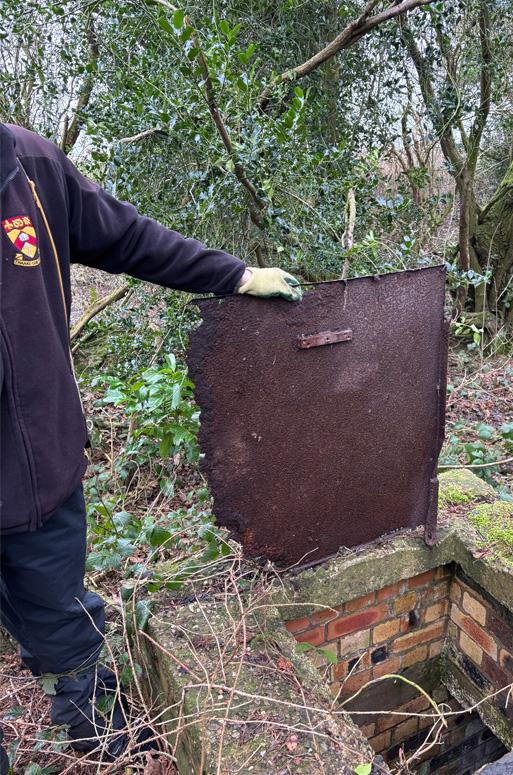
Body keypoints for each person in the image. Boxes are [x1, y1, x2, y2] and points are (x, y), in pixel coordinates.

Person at [0, 122, 301, 767]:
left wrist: (239, 277)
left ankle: (105, 748)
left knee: (68, 634)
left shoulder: (31, 166)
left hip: (40, 474)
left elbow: (131, 238)